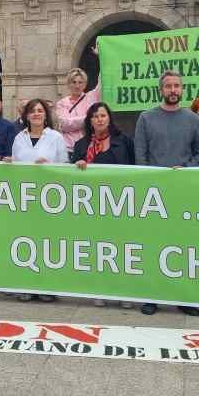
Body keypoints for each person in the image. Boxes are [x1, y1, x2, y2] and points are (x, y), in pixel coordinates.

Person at [133, 71, 199, 316]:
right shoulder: (146, 118)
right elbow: (140, 155)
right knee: (154, 245)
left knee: (183, 245)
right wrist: (150, 181)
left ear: (182, 89)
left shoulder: (193, 119)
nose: (172, 90)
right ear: (160, 90)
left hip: (184, 191)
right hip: (155, 195)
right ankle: (151, 295)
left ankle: (183, 296)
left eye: (177, 85)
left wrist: (186, 169)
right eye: (168, 86)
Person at [70, 102, 134, 309]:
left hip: (120, 202)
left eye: (103, 115)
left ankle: (125, 291)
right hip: (94, 206)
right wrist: (77, 166)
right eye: (95, 116)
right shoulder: (81, 145)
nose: (99, 119)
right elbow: (72, 176)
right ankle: (100, 289)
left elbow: (135, 168)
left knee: (121, 248)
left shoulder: (124, 141)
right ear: (90, 121)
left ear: (109, 118)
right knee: (98, 248)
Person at [7, 99, 66, 303]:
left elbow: (64, 168)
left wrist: (49, 166)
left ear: (46, 114)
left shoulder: (56, 138)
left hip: (48, 199)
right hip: (25, 200)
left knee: (47, 243)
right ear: (26, 116)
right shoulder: (18, 138)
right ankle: (25, 285)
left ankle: (47, 287)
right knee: (25, 242)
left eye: (40, 111)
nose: (36, 114)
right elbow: (14, 167)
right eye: (32, 111)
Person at [55, 47, 101, 156]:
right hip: (68, 149)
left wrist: (100, 57)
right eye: (74, 82)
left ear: (85, 84)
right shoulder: (61, 103)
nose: (77, 85)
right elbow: (65, 124)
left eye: (80, 82)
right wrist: (89, 119)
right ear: (68, 84)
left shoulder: (91, 97)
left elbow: (103, 80)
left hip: (88, 147)